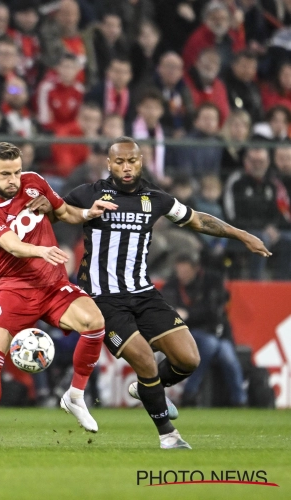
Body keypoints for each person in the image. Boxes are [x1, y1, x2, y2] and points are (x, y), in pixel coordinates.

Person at [55, 136, 269, 449]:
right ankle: (168, 435)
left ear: (141, 162)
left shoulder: (155, 198)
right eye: (119, 162)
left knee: (188, 359)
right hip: (103, 300)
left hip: (144, 293)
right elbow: (56, 211)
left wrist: (240, 234)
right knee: (144, 358)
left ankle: (147, 389)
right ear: (109, 164)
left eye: (132, 161)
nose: (126, 168)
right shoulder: (89, 193)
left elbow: (198, 220)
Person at [0, 142, 118, 448]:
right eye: (6, 173)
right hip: (14, 288)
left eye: (17, 171)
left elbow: (64, 212)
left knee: (95, 322)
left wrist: (89, 212)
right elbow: (10, 244)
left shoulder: (34, 182)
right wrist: (41, 250)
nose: (14, 179)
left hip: (51, 284)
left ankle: (75, 395)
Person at [161, 254, 247, 407]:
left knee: (228, 357)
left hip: (215, 333)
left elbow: (213, 311)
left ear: (195, 269)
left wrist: (188, 313)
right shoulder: (172, 286)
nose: (182, 275)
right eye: (179, 271)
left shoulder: (211, 282)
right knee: (210, 344)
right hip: (189, 334)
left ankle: (239, 400)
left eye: (185, 271)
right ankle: (190, 392)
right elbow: (166, 307)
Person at [223, 146, 291, 279]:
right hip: (240, 232)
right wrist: (261, 228)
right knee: (261, 240)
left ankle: (282, 283)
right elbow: (231, 216)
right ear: (246, 161)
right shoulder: (236, 181)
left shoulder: (272, 183)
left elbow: (279, 211)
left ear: (267, 163)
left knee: (289, 240)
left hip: (266, 231)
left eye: (261, 162)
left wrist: (273, 227)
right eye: (254, 161)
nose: (257, 166)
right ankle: (255, 282)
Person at [36, 53, 84, 133]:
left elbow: (79, 118)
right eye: (65, 67)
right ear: (58, 68)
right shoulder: (46, 88)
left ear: (77, 70)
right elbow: (43, 118)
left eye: (71, 67)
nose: (68, 71)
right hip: (51, 133)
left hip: (72, 134)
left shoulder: (80, 90)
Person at [185, 47, 230, 123]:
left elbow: (225, 114)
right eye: (207, 61)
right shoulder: (185, 81)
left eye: (214, 62)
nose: (210, 66)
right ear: (197, 62)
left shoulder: (220, 86)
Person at [224, 51, 263, 123]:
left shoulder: (254, 87)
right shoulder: (224, 85)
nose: (248, 71)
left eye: (252, 67)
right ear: (234, 65)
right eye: (244, 66)